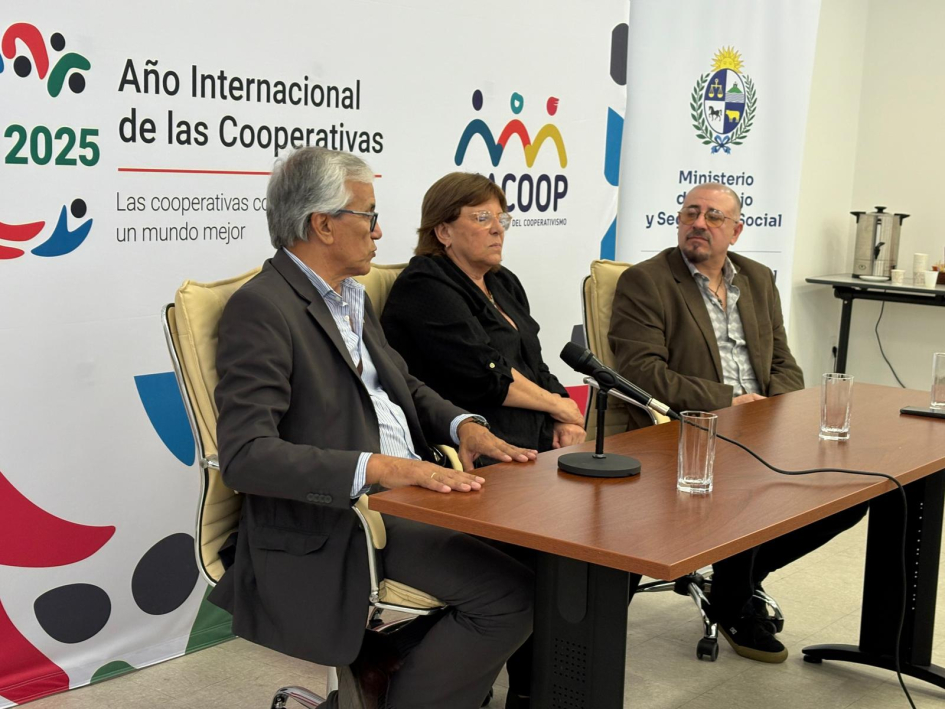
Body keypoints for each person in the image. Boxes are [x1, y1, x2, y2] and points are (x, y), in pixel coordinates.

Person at [208, 148, 538, 709]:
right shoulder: (262, 309)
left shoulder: (351, 297)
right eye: (368, 216)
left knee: (546, 556)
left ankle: (399, 667)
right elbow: (246, 456)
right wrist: (380, 468)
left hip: (408, 493)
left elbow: (403, 386)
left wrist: (463, 425)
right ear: (324, 224)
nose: (380, 231)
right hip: (343, 517)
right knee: (512, 596)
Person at [608, 182, 867, 663]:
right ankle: (733, 601)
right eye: (690, 213)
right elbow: (641, 372)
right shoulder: (647, 281)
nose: (699, 223)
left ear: (736, 230)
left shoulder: (756, 279)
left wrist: (779, 411)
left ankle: (738, 581)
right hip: (686, 430)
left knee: (849, 494)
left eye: (713, 217)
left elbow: (783, 362)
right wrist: (730, 402)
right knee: (749, 489)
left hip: (760, 424)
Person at [381, 172, 584, 708]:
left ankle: (545, 682)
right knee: (567, 561)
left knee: (608, 556)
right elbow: (486, 373)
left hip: (533, 445)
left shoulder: (504, 281)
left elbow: (533, 363)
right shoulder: (424, 286)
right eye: (481, 218)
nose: (498, 230)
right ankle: (534, 688)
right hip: (481, 455)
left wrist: (568, 416)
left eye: (502, 218)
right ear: (443, 230)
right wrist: (558, 406)